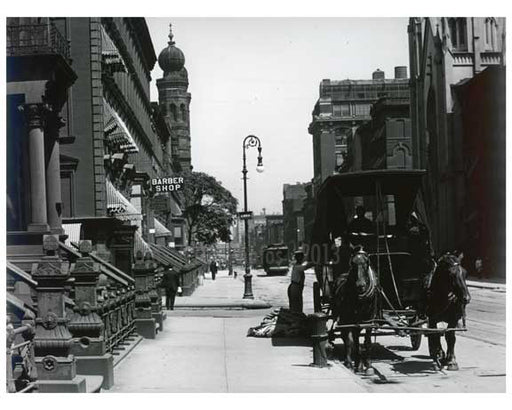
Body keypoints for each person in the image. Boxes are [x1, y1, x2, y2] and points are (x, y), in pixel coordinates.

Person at [288, 249, 315, 313]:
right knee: (296, 307)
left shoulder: (297, 265)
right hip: (295, 287)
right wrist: (314, 263)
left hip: (296, 287)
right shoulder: (297, 266)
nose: (303, 259)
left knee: (297, 306)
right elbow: (305, 267)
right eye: (302, 257)